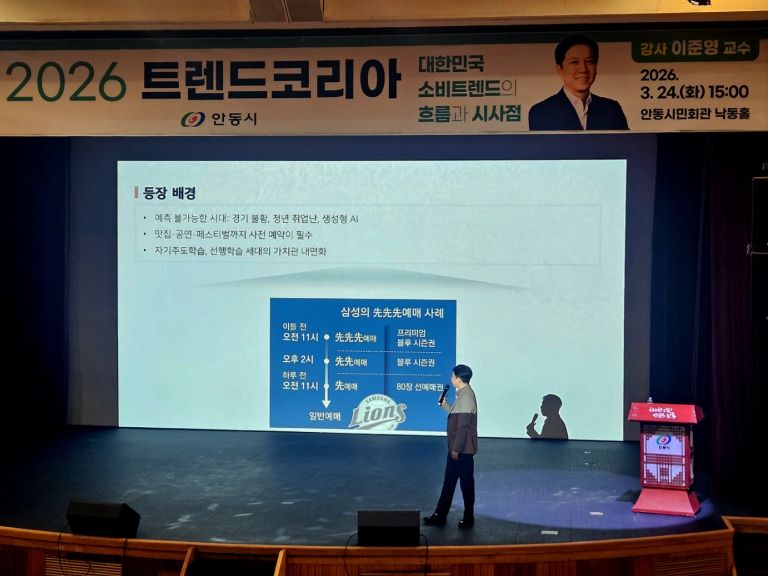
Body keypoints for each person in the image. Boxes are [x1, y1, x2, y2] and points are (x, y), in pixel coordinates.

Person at [528, 33, 629, 131]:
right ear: (559, 69)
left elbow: (625, 142)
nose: (583, 69)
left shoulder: (612, 109)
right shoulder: (542, 112)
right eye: (574, 62)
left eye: (589, 61)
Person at [423, 364, 478, 528]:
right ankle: (440, 514)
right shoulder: (463, 394)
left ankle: (468, 517)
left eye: (453, 376)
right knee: (449, 481)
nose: (451, 378)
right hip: (457, 448)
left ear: (459, 379)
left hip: (462, 450)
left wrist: (456, 449)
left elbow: (463, 427)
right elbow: (456, 413)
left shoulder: (466, 397)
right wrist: (445, 404)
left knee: (466, 484)